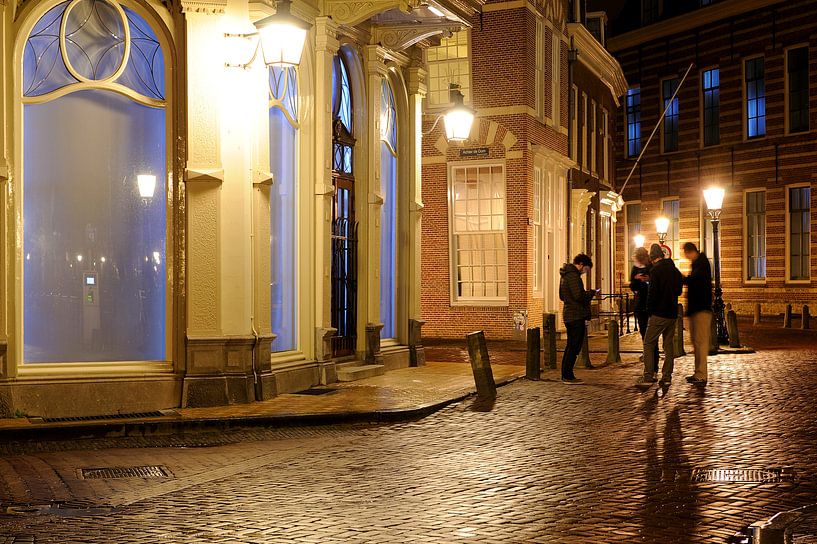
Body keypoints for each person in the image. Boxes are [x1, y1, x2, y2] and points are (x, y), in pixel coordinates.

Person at [636, 243, 683, 386]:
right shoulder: (674, 270)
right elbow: (679, 291)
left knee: (649, 343)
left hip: (659, 313)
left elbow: (653, 293)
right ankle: (667, 376)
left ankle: (648, 375)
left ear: (652, 257)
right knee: (668, 345)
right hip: (672, 313)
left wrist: (649, 310)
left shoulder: (655, 271)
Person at [559, 254, 599, 384]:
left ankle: (566, 373)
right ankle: (567, 375)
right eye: (586, 269)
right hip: (575, 315)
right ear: (581, 264)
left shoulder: (565, 276)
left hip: (569, 314)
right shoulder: (573, 276)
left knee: (571, 345)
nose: (585, 272)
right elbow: (578, 296)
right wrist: (591, 293)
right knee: (574, 346)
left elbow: (562, 295)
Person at [682, 242, 713, 385]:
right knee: (696, 342)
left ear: (690, 252)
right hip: (696, 309)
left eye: (686, 254)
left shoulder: (702, 263)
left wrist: (683, 278)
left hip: (701, 309)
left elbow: (695, 281)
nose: (686, 257)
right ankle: (697, 372)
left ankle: (701, 374)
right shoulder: (697, 264)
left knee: (700, 342)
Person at [630, 246, 659, 379]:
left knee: (652, 338)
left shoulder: (651, 267)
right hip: (640, 306)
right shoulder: (635, 268)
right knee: (645, 337)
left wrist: (647, 280)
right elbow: (633, 286)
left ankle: (654, 367)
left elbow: (655, 283)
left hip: (651, 306)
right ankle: (650, 365)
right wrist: (636, 279)